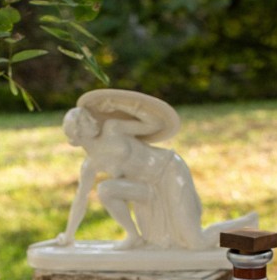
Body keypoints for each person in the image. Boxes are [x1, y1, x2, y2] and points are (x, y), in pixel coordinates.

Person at [56, 95, 226, 251]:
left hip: (169, 170)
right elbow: (80, 199)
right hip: (148, 189)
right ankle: (133, 236)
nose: (93, 120)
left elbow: (155, 124)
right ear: (77, 134)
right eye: (86, 120)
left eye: (89, 117)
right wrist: (68, 235)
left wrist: (120, 104)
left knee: (197, 243)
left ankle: (244, 228)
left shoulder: (112, 128)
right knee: (105, 189)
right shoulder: (90, 165)